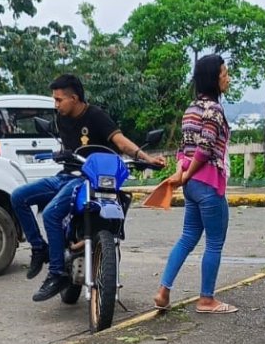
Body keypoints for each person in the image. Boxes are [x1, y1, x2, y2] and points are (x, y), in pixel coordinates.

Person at [30, 74, 165, 301]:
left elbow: (121, 142)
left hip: (97, 178)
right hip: (69, 175)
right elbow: (67, 146)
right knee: (25, 199)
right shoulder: (60, 118)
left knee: (56, 211)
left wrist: (146, 158)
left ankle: (68, 264)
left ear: (74, 98)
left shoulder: (96, 116)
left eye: (59, 100)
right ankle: (45, 255)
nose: (56, 105)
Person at [152, 55, 237, 314]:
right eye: (224, 73)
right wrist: (187, 175)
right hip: (209, 183)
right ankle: (206, 299)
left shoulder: (191, 109)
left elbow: (183, 149)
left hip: (192, 187)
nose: (227, 77)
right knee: (214, 243)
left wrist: (182, 174)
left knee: (188, 237)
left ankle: (163, 291)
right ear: (214, 77)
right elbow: (205, 148)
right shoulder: (214, 110)